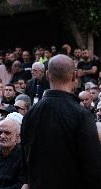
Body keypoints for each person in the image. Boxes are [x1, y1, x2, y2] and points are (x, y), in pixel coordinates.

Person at [21, 54, 101, 189]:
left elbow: (25, 165)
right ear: (74, 76)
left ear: (47, 74)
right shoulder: (82, 116)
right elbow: (93, 169)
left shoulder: (30, 115)